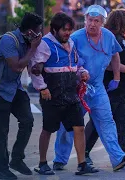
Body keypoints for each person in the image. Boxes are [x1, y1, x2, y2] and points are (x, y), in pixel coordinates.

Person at [53, 5, 125, 172]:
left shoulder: (108, 36)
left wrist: (117, 78)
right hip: (77, 88)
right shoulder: (75, 38)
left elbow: (115, 54)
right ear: (85, 20)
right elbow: (66, 59)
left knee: (107, 121)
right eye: (89, 20)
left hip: (98, 87)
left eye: (96, 21)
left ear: (102, 23)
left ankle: (118, 157)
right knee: (68, 126)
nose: (92, 24)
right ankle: (60, 159)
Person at [30, 12, 99, 176]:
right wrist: (42, 88)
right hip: (52, 95)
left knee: (79, 128)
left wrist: (82, 72)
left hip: (71, 94)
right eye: (64, 30)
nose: (67, 33)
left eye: (69, 30)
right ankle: (42, 164)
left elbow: (76, 64)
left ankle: (82, 164)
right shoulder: (45, 44)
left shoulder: (71, 43)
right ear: (54, 30)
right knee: (48, 130)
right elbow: (35, 69)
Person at [0, 12, 43, 180]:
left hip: (14, 87)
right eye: (38, 30)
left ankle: (16, 159)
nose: (40, 34)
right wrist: (33, 49)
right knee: (2, 130)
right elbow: (17, 66)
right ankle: (0, 169)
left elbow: (30, 66)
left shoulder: (28, 41)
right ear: (30, 31)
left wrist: (37, 66)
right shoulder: (9, 40)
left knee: (28, 121)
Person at [84, 8, 125, 167]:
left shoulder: (123, 38)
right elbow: (107, 63)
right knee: (99, 121)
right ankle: (84, 153)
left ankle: (122, 155)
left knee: (124, 120)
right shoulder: (110, 38)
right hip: (112, 87)